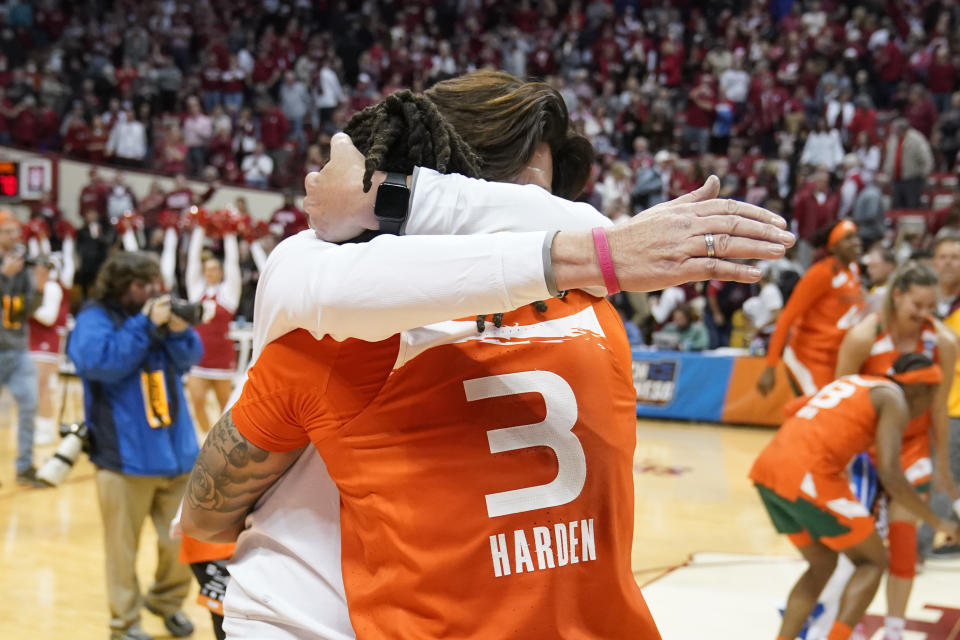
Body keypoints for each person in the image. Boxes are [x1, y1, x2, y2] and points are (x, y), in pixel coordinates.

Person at [180, 72, 793, 638]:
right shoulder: (597, 315)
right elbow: (572, 239)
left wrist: (398, 196)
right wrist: (600, 249)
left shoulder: (342, 323)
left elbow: (208, 515)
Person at [751, 354, 960, 640]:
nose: (928, 407)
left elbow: (793, 408)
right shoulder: (895, 400)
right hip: (808, 476)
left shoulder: (857, 382)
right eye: (932, 396)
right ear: (920, 389)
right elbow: (892, 475)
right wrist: (940, 524)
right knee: (873, 561)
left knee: (822, 564)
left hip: (766, 472)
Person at [67, 252, 202, 640]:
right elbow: (100, 363)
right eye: (141, 286)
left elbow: (191, 357)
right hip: (123, 459)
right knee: (122, 552)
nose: (150, 292)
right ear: (121, 284)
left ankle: (165, 602)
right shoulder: (95, 317)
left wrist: (176, 329)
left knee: (182, 541)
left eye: (153, 284)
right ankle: (124, 624)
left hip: (177, 453)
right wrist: (145, 325)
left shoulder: (157, 315)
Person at [828, 263, 959, 640]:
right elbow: (839, 402)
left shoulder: (944, 343)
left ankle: (895, 630)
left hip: (912, 449)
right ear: (897, 294)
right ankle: (841, 624)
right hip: (864, 453)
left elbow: (937, 408)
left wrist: (944, 472)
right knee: (858, 549)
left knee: (903, 544)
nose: (923, 315)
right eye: (916, 305)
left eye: (931, 308)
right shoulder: (862, 338)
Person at [758, 219, 865, 397]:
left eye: (857, 237)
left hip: (836, 358)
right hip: (807, 357)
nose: (857, 242)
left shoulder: (854, 271)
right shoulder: (820, 273)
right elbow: (786, 318)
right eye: (849, 238)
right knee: (820, 414)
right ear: (834, 247)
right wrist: (770, 366)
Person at [0, 210, 45, 486]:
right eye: (8, 231)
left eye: (16, 231)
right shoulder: (8, 267)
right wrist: (3, 276)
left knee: (29, 405)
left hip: (17, 348)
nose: (15, 236)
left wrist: (39, 289)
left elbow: (29, 309)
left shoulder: (23, 264)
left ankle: (25, 467)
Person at [184, 220, 241, 433]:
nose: (210, 272)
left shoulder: (228, 294)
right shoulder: (196, 291)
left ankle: (222, 442)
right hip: (198, 357)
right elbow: (192, 261)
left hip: (222, 360)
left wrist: (229, 233)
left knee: (226, 406)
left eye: (215, 268)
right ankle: (207, 438)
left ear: (220, 271)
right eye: (207, 269)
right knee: (196, 401)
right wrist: (199, 228)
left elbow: (233, 263)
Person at [27, 232, 75, 446]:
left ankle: (46, 427)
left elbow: (48, 317)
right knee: (32, 388)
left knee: (41, 387)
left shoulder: (53, 287)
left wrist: (26, 308)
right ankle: (36, 425)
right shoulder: (34, 288)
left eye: (37, 267)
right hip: (31, 342)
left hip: (46, 343)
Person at [883, 118, 934, 210]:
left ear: (902, 129)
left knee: (912, 206)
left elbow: (926, 158)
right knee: (896, 206)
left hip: (912, 179)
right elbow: (889, 157)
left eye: (895, 129)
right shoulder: (893, 139)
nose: (893, 131)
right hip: (896, 179)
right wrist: (888, 171)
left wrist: (924, 173)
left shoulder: (916, 139)